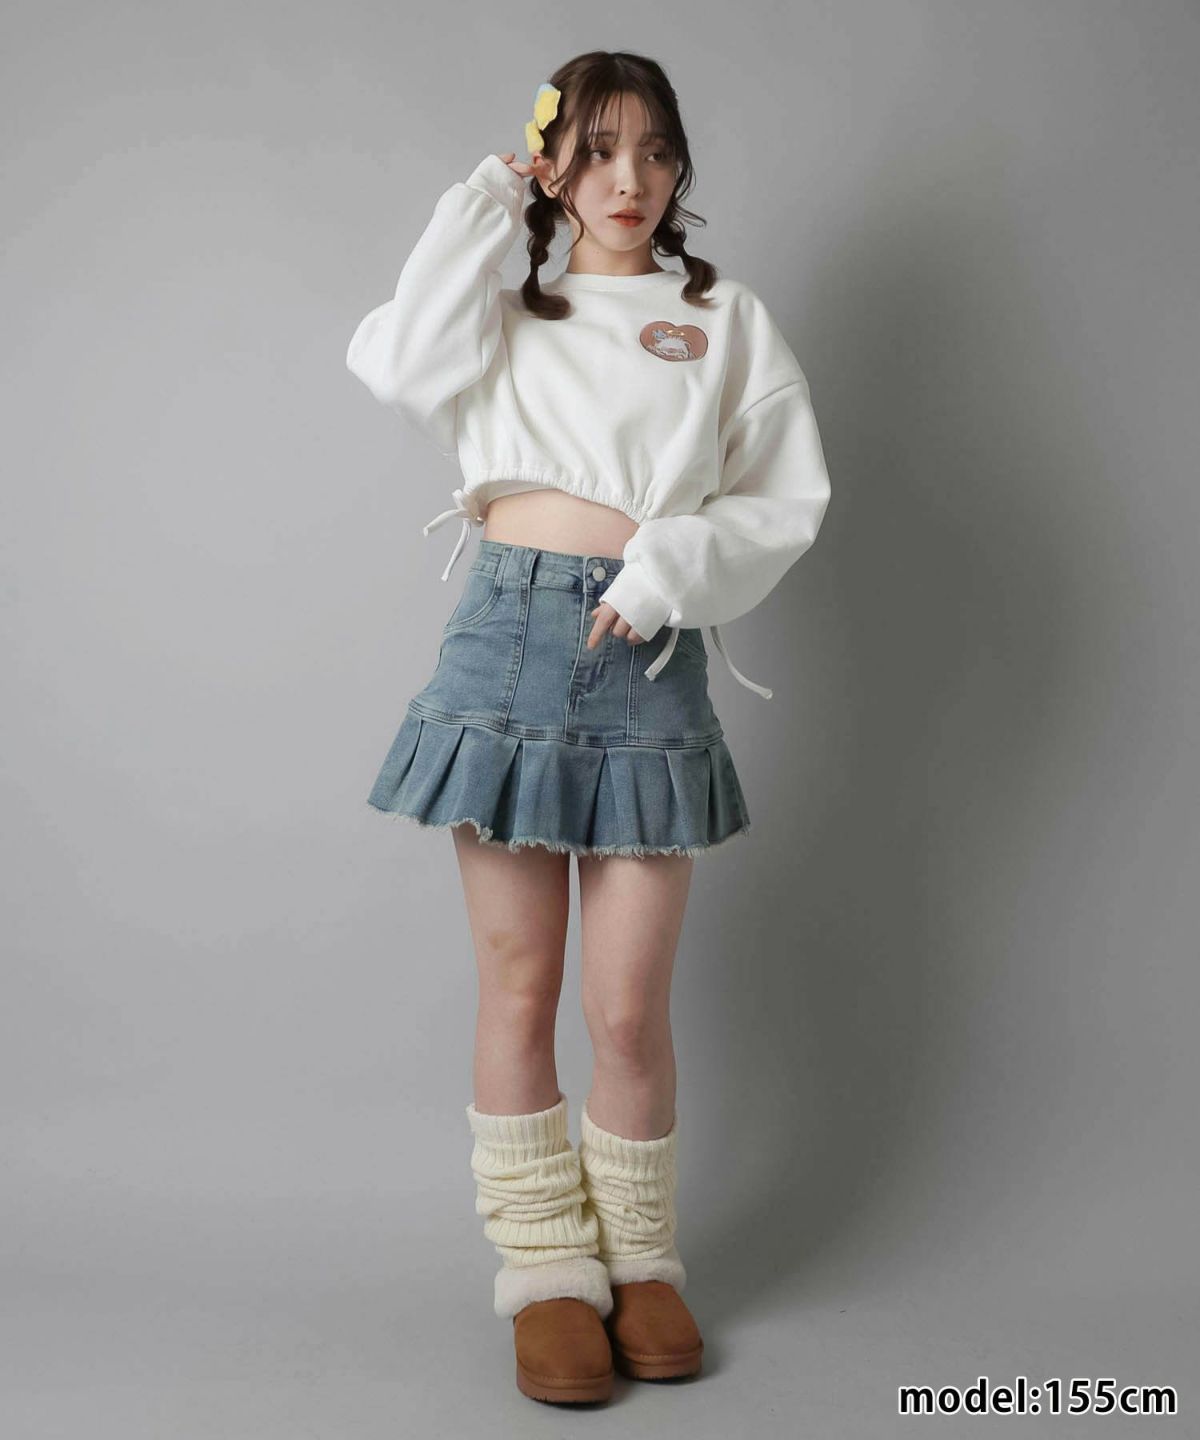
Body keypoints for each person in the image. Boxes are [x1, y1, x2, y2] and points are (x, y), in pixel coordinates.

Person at [345, 51, 831, 1405]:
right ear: (552, 162)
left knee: (626, 1007)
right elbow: (395, 360)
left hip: (647, 649)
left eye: (656, 151)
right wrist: (485, 203)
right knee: (520, 986)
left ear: (680, 169)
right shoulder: (499, 307)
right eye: (599, 149)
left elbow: (784, 498)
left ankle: (643, 1260)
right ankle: (547, 1273)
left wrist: (669, 571)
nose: (631, 179)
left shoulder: (721, 317)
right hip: (505, 637)